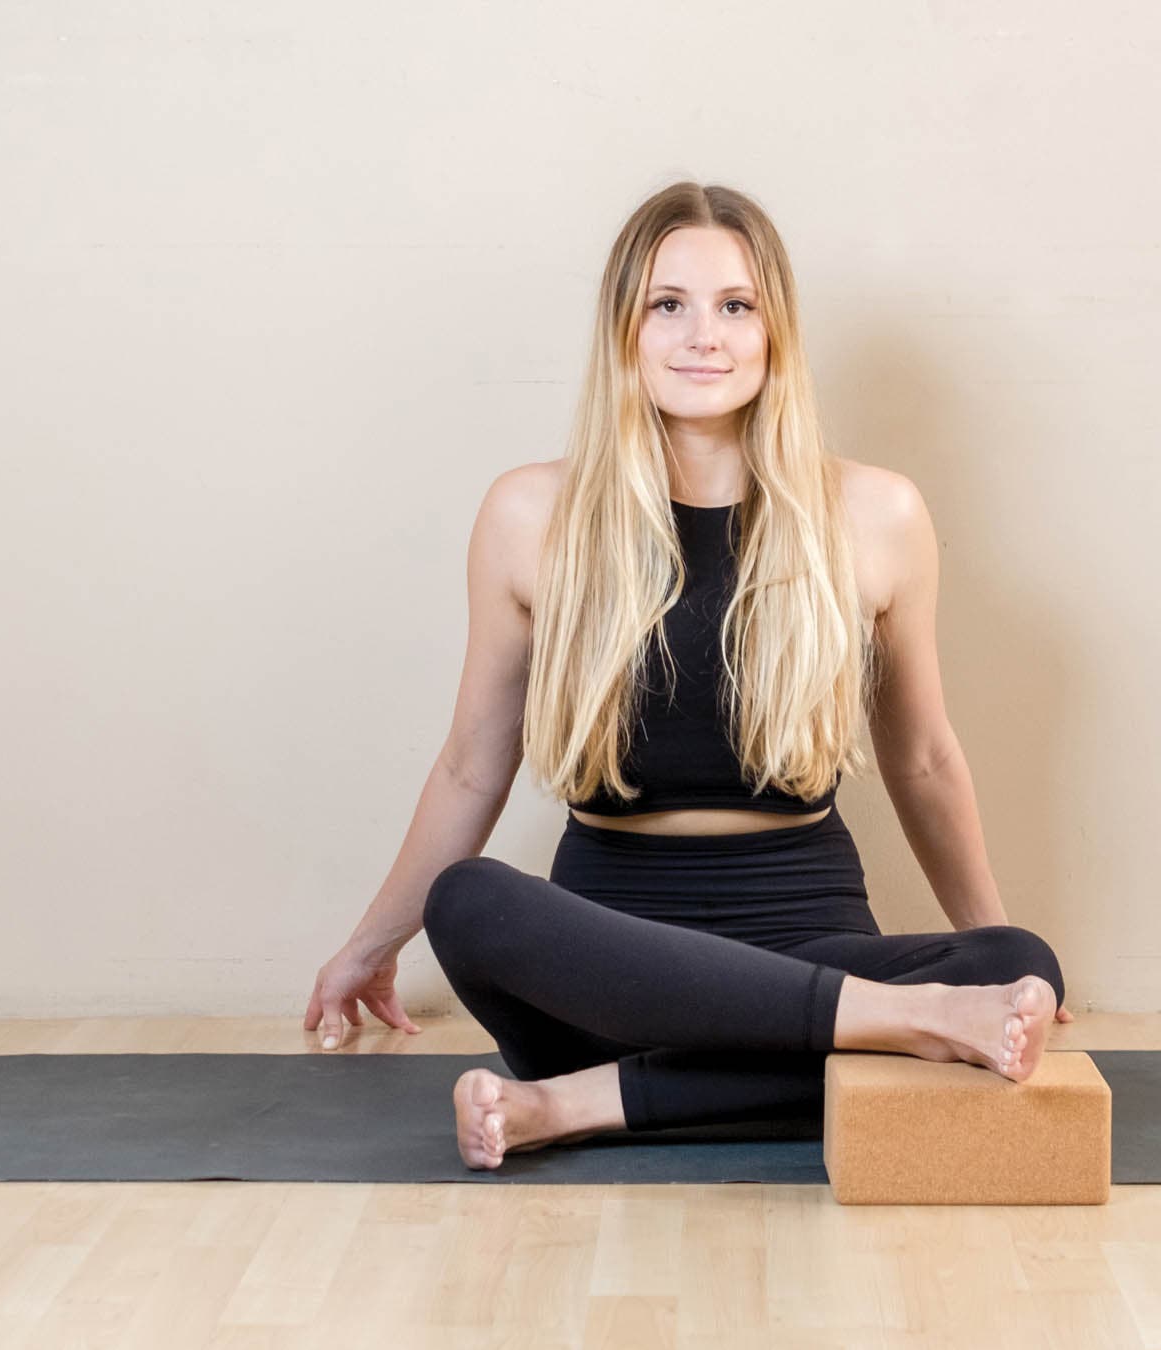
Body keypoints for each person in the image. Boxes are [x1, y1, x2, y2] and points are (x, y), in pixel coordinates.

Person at [304, 181, 1070, 1170]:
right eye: (668, 303)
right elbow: (468, 768)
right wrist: (373, 945)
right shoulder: (528, 516)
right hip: (602, 975)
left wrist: (993, 974)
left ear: (774, 330)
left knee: (1025, 961)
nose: (702, 334)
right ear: (625, 327)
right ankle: (892, 1027)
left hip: (806, 936)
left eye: (735, 305)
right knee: (471, 903)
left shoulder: (877, 514)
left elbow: (922, 757)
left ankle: (573, 1109)